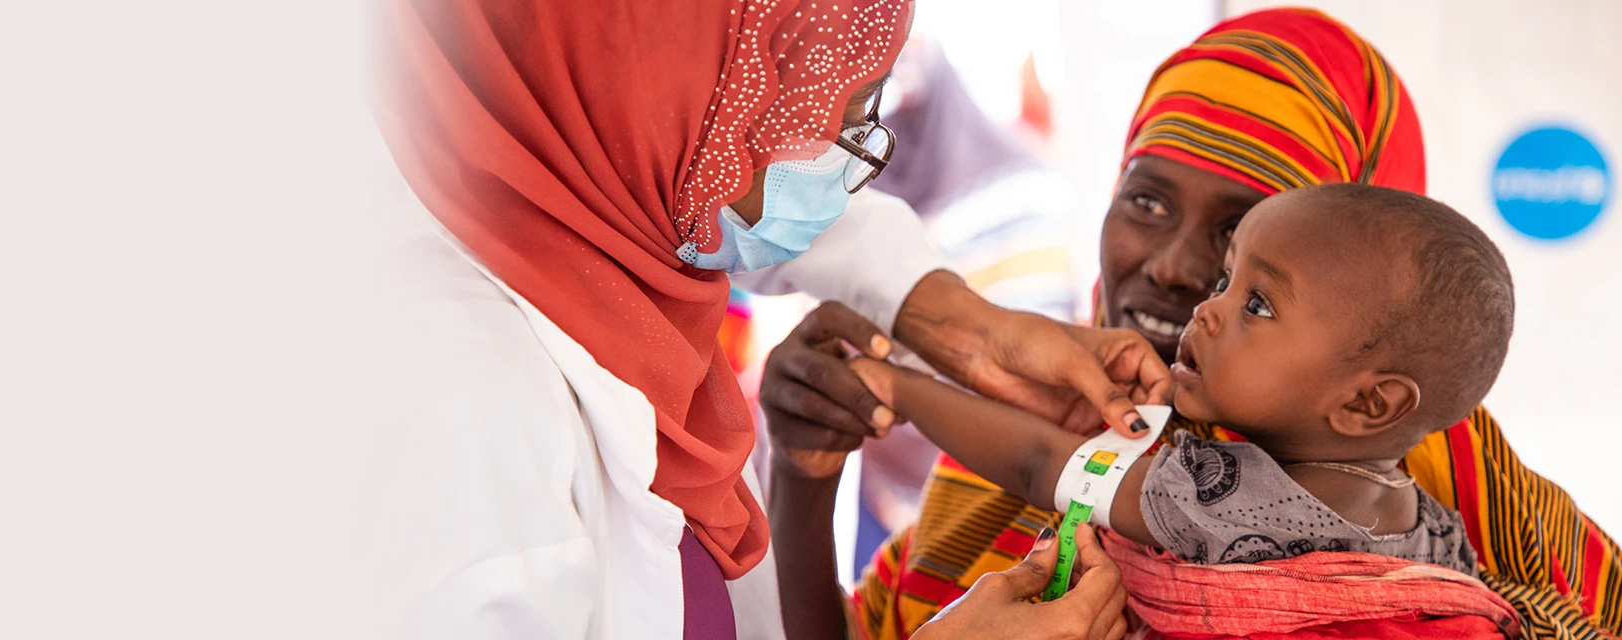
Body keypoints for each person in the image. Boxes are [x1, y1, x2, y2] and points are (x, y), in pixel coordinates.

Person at [762, 7, 1622, 639]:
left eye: (1244, 243)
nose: (1178, 270)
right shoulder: (1002, 464)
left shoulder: (1497, 524)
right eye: (1146, 200)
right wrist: (806, 474)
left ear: (1373, 393)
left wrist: (895, 383)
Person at [368, 0, 1163, 637]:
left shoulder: (618, 259)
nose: (844, 172)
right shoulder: (463, 407)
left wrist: (960, 324)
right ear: (672, 98)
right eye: (839, 122)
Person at [848, 183, 1525, 637]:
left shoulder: (1220, 496)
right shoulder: (1439, 532)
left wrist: (897, 387)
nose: (1207, 307)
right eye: (1228, 280)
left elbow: (1038, 462)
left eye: (1257, 304)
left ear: (1367, 402)